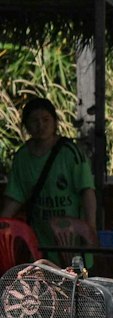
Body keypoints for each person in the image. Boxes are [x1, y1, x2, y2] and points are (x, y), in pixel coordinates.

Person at [1, 96, 96, 248]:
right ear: (26, 126)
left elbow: (87, 191)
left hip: (73, 244)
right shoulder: (22, 157)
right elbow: (15, 197)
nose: (41, 125)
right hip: (40, 244)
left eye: (46, 120)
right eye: (35, 121)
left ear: (55, 122)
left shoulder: (71, 153)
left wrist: (90, 230)